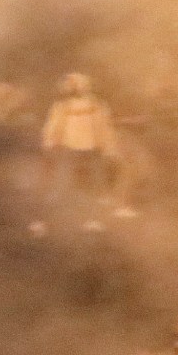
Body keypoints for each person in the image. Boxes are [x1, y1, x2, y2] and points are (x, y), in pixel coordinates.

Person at [38, 71, 118, 233]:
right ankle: (46, 221)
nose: (74, 87)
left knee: (95, 185)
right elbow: (52, 126)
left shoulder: (97, 105)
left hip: (92, 149)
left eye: (77, 84)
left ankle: (93, 219)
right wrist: (49, 143)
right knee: (61, 183)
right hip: (67, 149)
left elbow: (105, 127)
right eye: (71, 84)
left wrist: (109, 147)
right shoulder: (61, 106)